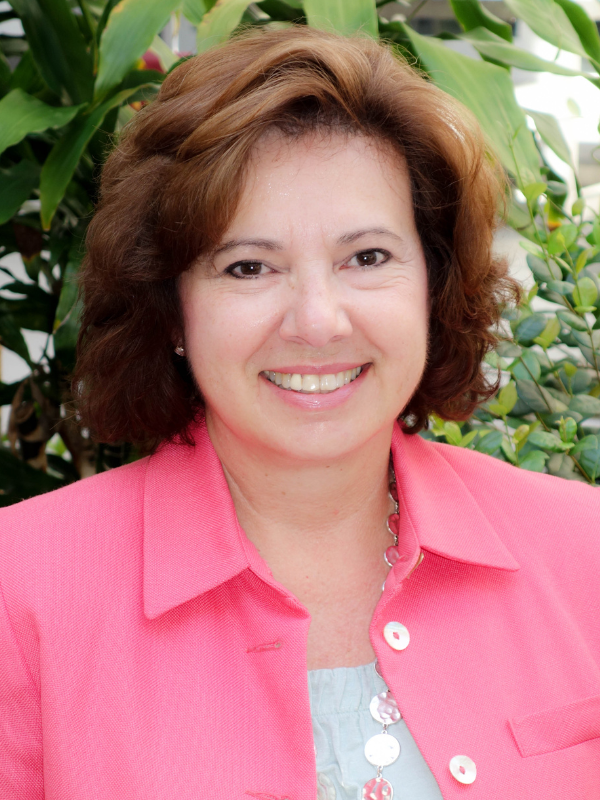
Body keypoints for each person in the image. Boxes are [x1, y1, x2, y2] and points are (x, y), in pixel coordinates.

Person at [1, 26, 599, 800]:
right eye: (249, 267)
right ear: (172, 309)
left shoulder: (584, 549)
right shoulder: (21, 587)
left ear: (434, 283)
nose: (317, 321)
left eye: (368, 258)